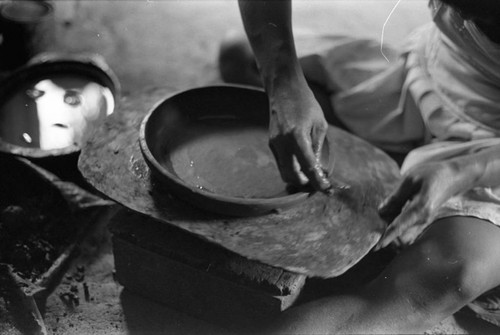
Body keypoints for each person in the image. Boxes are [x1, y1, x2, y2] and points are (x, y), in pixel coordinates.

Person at [219, 0, 500, 333]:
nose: (465, 14)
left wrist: (462, 171)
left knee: (445, 278)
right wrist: (284, 83)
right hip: (436, 68)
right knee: (242, 51)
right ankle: (394, 157)